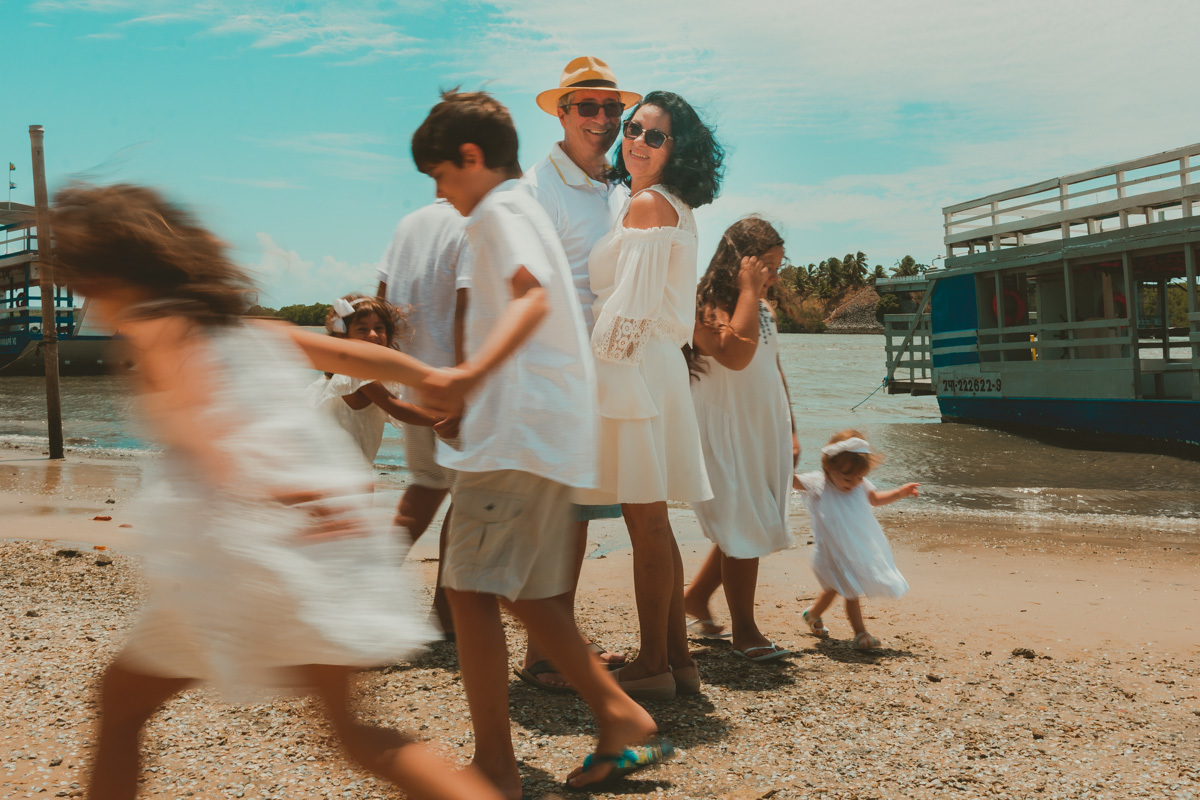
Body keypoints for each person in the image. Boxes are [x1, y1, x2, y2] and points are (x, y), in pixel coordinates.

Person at [50, 183, 504, 800]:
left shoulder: (158, 335)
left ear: (117, 274)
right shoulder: (252, 330)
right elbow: (364, 359)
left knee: (122, 706)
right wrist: (439, 377)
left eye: (86, 280)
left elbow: (212, 440)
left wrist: (278, 497)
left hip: (242, 554)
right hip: (320, 546)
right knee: (353, 735)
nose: (86, 296)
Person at [411, 91, 667, 796]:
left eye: (439, 177)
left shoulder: (500, 210)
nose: (442, 196)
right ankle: (616, 719)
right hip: (545, 427)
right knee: (512, 592)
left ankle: (501, 760)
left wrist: (466, 378)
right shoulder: (524, 206)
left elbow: (530, 299)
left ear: (470, 159)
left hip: (515, 430)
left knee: (471, 587)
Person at [577, 90, 724, 700]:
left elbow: (628, 312)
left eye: (653, 136)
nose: (634, 141)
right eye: (632, 130)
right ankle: (679, 662)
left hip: (633, 364)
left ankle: (653, 665)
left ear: (676, 149)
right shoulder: (676, 206)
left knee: (645, 523)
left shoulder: (647, 206)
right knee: (654, 523)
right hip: (656, 364)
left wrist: (583, 369)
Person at [513, 55, 642, 691]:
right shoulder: (537, 188)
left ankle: (557, 636)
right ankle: (543, 654)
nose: (602, 118)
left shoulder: (613, 188)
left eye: (611, 108)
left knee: (576, 516)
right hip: (554, 375)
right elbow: (523, 290)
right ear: (561, 114)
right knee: (554, 517)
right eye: (586, 106)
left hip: (603, 373)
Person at [681, 217, 799, 662]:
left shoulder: (764, 311)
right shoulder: (703, 308)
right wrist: (749, 291)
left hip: (760, 426)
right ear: (741, 263)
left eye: (777, 267)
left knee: (744, 517)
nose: (774, 276)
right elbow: (735, 356)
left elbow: (773, 369)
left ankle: (694, 598)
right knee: (743, 519)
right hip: (722, 428)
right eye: (766, 266)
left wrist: (790, 429)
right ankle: (745, 633)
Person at [376, 202, 470, 635]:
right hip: (454, 381)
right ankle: (447, 613)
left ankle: (356, 594)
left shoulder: (407, 222)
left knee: (427, 487)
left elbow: (379, 305)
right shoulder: (474, 218)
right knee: (466, 498)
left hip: (411, 377)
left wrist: (388, 370)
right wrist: (466, 388)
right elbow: (470, 308)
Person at [793, 430, 918, 650]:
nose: (854, 483)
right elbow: (792, 482)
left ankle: (812, 614)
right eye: (848, 478)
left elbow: (876, 499)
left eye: (859, 477)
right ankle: (861, 633)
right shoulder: (819, 483)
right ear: (829, 468)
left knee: (834, 588)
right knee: (850, 590)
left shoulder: (861, 485)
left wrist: (899, 492)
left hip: (852, 550)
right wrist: (778, 461)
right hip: (830, 552)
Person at [306, 293, 446, 464]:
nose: (372, 335)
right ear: (344, 337)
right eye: (362, 329)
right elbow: (397, 409)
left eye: (379, 328)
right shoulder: (356, 373)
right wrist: (441, 419)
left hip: (347, 464)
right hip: (333, 466)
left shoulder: (373, 375)